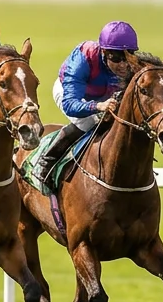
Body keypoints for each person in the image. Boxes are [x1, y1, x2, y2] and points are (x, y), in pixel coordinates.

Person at [32, 20, 139, 183]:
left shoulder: (132, 65)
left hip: (104, 95)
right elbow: (70, 104)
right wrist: (97, 106)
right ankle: (46, 162)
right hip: (70, 93)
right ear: (104, 52)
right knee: (88, 122)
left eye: (128, 55)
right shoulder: (84, 57)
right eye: (116, 58)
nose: (123, 64)